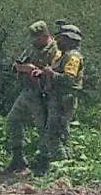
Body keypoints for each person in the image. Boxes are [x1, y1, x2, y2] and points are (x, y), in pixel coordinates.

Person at [4, 21, 61, 175]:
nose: (34, 41)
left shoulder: (55, 51)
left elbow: (54, 73)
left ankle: (45, 162)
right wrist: (22, 67)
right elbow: (16, 65)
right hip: (27, 91)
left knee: (43, 128)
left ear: (45, 36)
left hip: (42, 94)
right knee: (13, 119)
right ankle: (18, 159)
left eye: (37, 38)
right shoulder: (33, 48)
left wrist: (35, 70)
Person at [37, 24, 85, 176]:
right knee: (61, 134)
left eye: (61, 39)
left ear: (69, 40)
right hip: (57, 98)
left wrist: (51, 74)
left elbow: (69, 79)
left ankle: (62, 171)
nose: (57, 42)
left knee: (54, 135)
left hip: (64, 100)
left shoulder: (73, 57)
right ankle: (66, 167)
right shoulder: (63, 55)